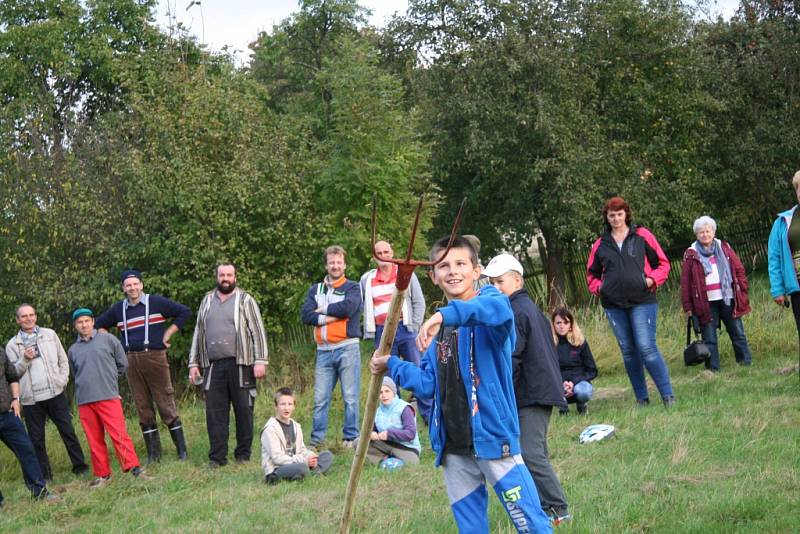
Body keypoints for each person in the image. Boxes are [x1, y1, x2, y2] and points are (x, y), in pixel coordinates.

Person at [371, 235, 553, 534]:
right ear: (433, 275)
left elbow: (495, 312)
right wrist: (391, 364)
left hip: (494, 440)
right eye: (444, 266)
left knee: (531, 524)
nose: (453, 271)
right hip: (454, 449)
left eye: (460, 263)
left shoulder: (492, 302)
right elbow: (428, 384)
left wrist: (442, 315)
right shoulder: (438, 337)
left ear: (476, 270)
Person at [483, 253, 570, 524]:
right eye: (491, 283)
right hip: (538, 390)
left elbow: (513, 357)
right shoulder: (528, 308)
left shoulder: (514, 311)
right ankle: (546, 506)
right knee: (535, 452)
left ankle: (558, 509)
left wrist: (498, 395)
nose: (495, 288)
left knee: (530, 453)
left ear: (517, 280)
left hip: (532, 393)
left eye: (500, 282)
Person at [586, 196, 675, 407]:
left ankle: (667, 395)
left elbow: (662, 263)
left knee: (646, 347)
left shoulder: (642, 236)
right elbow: (591, 275)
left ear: (626, 214)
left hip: (642, 301)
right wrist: (601, 288)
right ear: (606, 218)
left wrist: (652, 280)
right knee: (628, 351)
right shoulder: (600, 245)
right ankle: (641, 398)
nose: (616, 219)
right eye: (611, 215)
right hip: (614, 305)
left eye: (619, 214)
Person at [95, 270, 192, 463]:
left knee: (165, 401)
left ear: (141, 285)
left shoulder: (156, 302)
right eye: (128, 285)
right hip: (130, 359)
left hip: (154, 356)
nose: (132, 288)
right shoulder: (119, 309)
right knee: (142, 405)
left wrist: (168, 333)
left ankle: (182, 452)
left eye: (135, 284)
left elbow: (185, 312)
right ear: (123, 288)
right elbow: (98, 325)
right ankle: (154, 455)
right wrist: (114, 344)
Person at [188, 263, 268, 468]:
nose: (226, 278)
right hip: (213, 365)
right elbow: (198, 332)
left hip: (241, 363)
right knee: (215, 413)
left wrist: (260, 360)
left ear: (235, 277)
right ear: (216, 277)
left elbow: (257, 331)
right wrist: (193, 363)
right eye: (222, 275)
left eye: (229, 275)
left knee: (244, 410)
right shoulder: (207, 300)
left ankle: (243, 455)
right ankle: (217, 458)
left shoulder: (245, 299)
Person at [67, 308, 150, 487]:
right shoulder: (73, 349)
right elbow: (75, 374)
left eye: (86, 321)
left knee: (119, 434)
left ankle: (134, 468)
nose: (84, 325)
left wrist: (110, 382)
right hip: (85, 400)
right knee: (94, 438)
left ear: (93, 321)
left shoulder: (108, 340)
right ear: (75, 326)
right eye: (80, 322)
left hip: (108, 396)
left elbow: (122, 364)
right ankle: (103, 475)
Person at [5, 304, 88, 480]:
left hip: (55, 392)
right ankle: (46, 475)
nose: (29, 319)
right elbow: (13, 373)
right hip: (31, 399)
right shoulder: (12, 345)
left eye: (31, 315)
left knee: (68, 431)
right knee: (36, 440)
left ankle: (80, 467)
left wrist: (62, 381)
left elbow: (62, 360)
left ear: (35, 316)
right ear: (18, 320)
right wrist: (25, 359)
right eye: (24, 316)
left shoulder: (49, 334)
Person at [360, 240, 430, 424]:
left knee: (417, 369)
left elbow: (418, 301)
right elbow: (364, 304)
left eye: (386, 252)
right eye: (379, 253)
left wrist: (414, 327)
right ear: (374, 256)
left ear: (392, 253)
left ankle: (429, 415)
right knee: (388, 376)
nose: (383, 256)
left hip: (405, 328)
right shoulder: (367, 279)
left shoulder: (405, 274)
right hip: (382, 332)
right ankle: (397, 419)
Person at [300, 245, 363, 449]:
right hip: (323, 351)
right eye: (331, 262)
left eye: (339, 262)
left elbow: (349, 308)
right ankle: (317, 441)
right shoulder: (315, 289)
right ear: (326, 265)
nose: (335, 266)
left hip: (347, 348)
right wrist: (332, 317)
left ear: (344, 265)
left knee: (351, 397)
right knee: (320, 399)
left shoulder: (352, 287)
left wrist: (323, 311)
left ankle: (351, 437)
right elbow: (306, 315)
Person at [681, 216, 753, 370]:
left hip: (728, 299)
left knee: (737, 333)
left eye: (708, 231)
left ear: (713, 232)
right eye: (701, 232)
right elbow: (685, 282)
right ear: (696, 235)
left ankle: (745, 363)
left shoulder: (724, 247)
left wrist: (742, 287)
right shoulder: (691, 254)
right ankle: (713, 370)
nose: (705, 235)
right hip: (705, 303)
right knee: (709, 338)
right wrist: (687, 305)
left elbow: (739, 269)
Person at [0, 343, 57, 502]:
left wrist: (16, 399)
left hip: (7, 414)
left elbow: (12, 377)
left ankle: (40, 492)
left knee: (27, 450)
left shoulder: (0, 352)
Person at [260, 387, 333, 484]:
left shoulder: (296, 426)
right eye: (282, 404)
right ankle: (307, 474)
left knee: (327, 456)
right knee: (302, 467)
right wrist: (304, 461)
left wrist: (311, 457)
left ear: (294, 406)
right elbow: (277, 458)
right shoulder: (270, 429)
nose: (286, 408)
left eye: (290, 404)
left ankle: (304, 475)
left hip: (297, 463)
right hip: (277, 470)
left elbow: (302, 450)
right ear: (276, 406)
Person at [768, 170, 800, 342]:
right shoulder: (783, 222)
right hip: (797, 287)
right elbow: (774, 258)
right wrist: (778, 289)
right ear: (796, 192)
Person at [551, 308, 597, 414]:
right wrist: (562, 383)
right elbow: (547, 370)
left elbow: (592, 371)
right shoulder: (549, 344)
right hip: (559, 383)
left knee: (583, 391)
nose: (562, 326)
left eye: (565, 322)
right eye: (558, 323)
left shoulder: (580, 342)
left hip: (578, 382)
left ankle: (582, 404)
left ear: (571, 324)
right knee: (546, 388)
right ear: (553, 324)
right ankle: (562, 407)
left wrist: (573, 382)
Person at [366, 376, 421, 467]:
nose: (384, 395)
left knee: (412, 462)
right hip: (386, 445)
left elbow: (411, 434)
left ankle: (392, 461)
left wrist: (389, 434)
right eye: (380, 392)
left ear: (394, 392)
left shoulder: (404, 408)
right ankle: (384, 461)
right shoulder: (377, 411)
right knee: (359, 442)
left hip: (406, 448)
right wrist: (372, 433)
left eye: (387, 391)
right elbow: (372, 430)